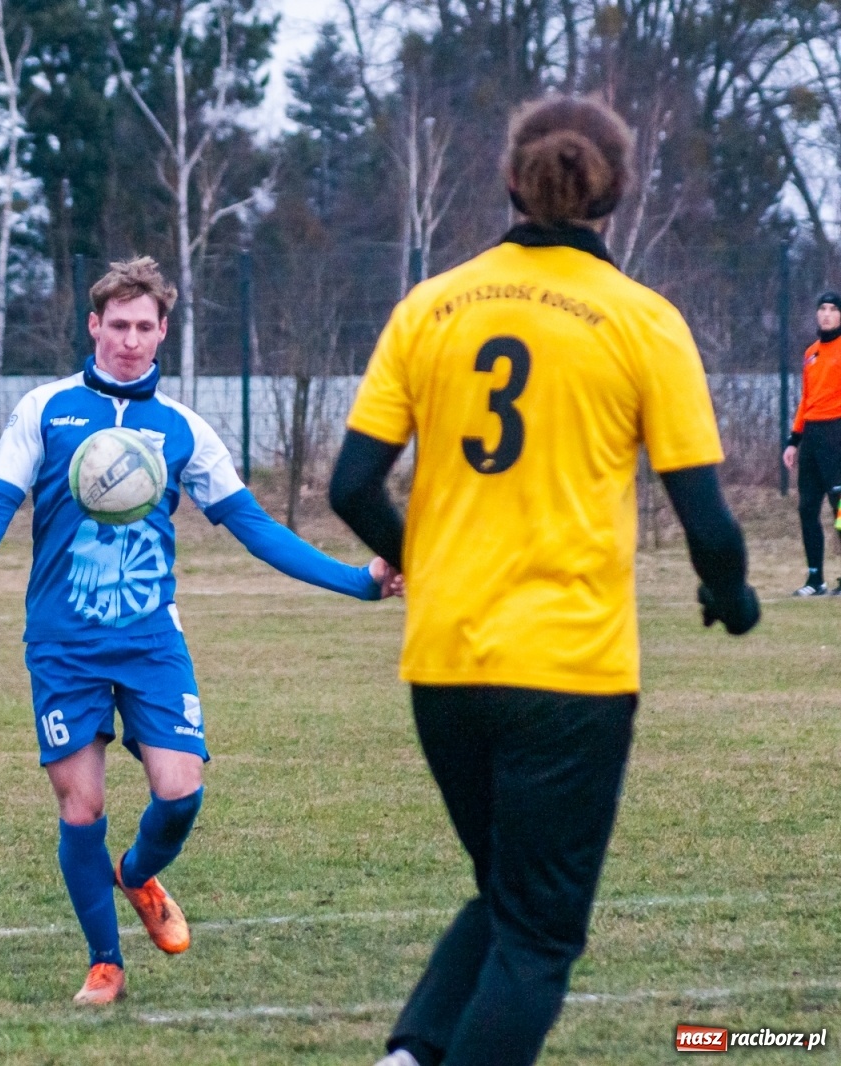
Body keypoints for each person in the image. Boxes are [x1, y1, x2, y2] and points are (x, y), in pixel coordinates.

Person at [327, 96, 760, 1066]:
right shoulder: (642, 321)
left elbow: (351, 486)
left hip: (444, 662)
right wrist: (731, 600)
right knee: (539, 934)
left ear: (509, 181)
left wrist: (425, 559)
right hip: (568, 671)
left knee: (508, 893)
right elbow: (709, 525)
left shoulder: (429, 307)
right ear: (617, 191)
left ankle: (408, 1056)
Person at [0, 257, 400, 1006]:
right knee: (81, 809)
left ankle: (137, 873)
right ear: (94, 326)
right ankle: (105, 961)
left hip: (150, 641)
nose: (130, 340)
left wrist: (358, 581)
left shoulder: (183, 429)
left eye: (144, 327)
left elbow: (254, 527)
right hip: (64, 643)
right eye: (118, 325)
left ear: (163, 331)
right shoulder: (45, 410)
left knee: (180, 794)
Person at [781, 290, 841, 595]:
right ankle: (815, 579)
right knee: (807, 508)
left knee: (840, 509)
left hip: (836, 433)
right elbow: (806, 399)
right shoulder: (811, 353)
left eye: (833, 309)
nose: (827, 314)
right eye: (822, 309)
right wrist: (793, 440)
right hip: (813, 438)